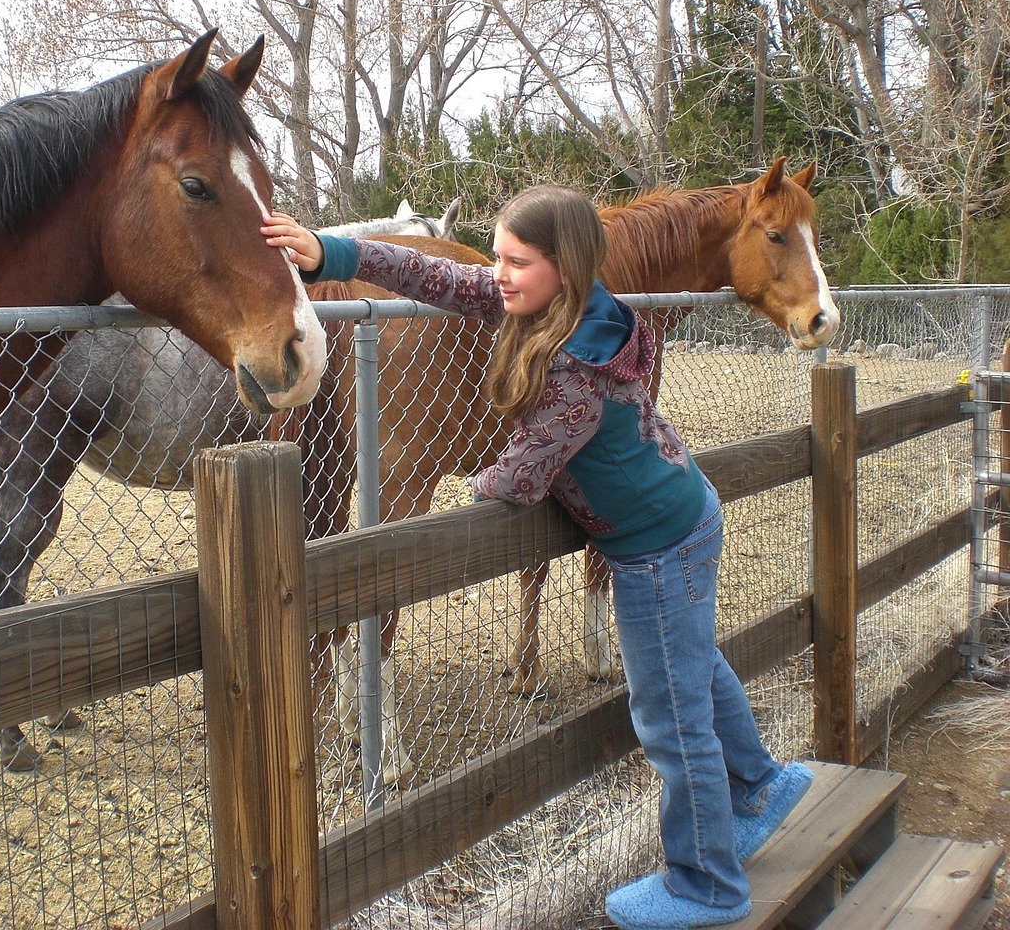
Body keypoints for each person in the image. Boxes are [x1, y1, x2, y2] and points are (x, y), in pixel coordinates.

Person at [262, 185, 813, 930]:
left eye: (515, 261)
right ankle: (760, 786)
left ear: (566, 266)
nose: (497, 273)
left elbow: (521, 476)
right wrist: (333, 252)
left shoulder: (577, 371)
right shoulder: (555, 305)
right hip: (682, 519)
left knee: (669, 716)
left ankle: (707, 882)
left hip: (657, 551)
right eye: (496, 255)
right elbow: (433, 277)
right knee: (701, 674)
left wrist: (473, 476)